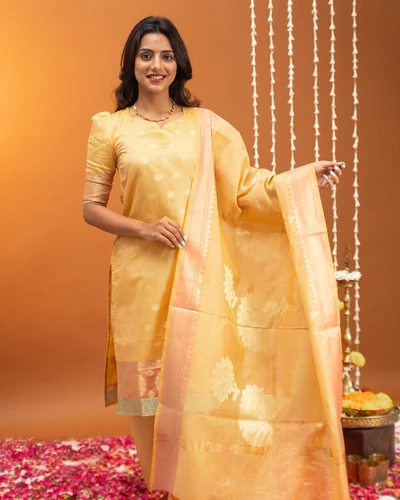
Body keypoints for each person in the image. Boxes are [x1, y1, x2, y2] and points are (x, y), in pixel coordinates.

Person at [83, 16, 349, 500]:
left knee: (196, 381)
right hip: (140, 276)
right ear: (132, 63)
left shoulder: (206, 127)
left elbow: (246, 188)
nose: (157, 65)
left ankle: (194, 481)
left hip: (197, 270)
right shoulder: (111, 127)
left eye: (166, 56)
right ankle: (158, 483)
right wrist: (144, 227)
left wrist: (301, 179)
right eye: (146, 55)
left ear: (179, 64)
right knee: (146, 391)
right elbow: (91, 208)